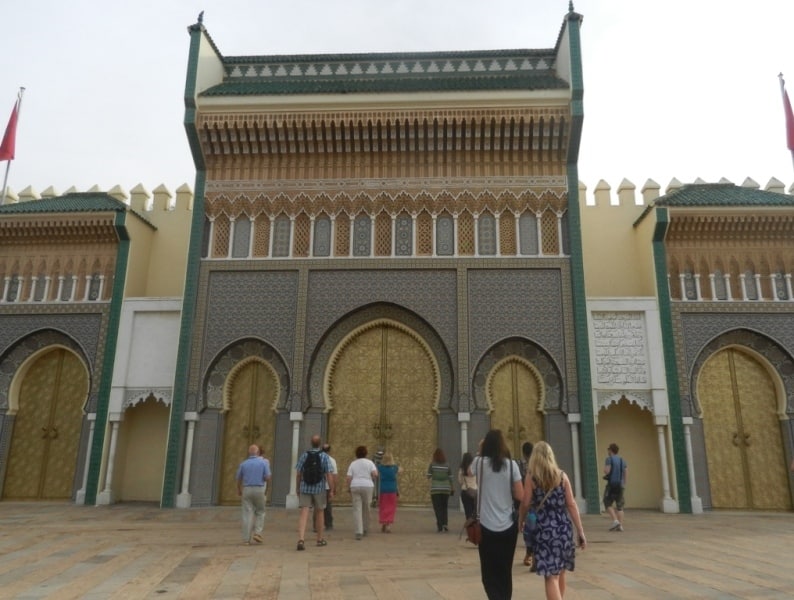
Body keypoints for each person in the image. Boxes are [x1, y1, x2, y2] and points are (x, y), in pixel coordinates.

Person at [520, 441, 586, 600]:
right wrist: (580, 531)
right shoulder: (562, 476)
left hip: (544, 530)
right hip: (563, 528)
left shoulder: (531, 478)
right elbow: (571, 504)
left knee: (550, 576)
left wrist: (521, 520)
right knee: (560, 571)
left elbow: (526, 502)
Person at [472, 430, 523, 600]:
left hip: (485, 526)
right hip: (508, 527)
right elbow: (520, 495)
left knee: (488, 571)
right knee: (504, 570)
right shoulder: (512, 465)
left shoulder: (478, 463)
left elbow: (472, 466)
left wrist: (482, 447)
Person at [295, 434, 333, 551]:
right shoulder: (324, 456)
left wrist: (297, 488)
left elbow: (298, 473)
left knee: (304, 512)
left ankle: (301, 539)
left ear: (311, 443)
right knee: (320, 512)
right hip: (319, 487)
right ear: (320, 444)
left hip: (305, 487)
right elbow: (329, 474)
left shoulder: (304, 455)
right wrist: (331, 489)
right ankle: (319, 539)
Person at [236, 444, 271, 545]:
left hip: (247, 489)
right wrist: (266, 489)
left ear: (249, 453)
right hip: (259, 489)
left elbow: (238, 478)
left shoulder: (243, 464)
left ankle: (246, 540)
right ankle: (257, 533)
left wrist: (239, 489)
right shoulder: (263, 463)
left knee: (247, 514)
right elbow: (268, 477)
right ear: (257, 452)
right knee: (260, 511)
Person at [346, 445, 378, 540]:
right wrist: (370, 478)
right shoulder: (370, 463)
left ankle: (358, 531)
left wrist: (348, 487)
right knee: (366, 508)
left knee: (357, 509)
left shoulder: (353, 463)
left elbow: (348, 477)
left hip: (355, 485)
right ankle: (365, 528)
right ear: (366, 453)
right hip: (367, 485)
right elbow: (375, 474)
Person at [427, 448, 454, 532]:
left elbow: (428, 476)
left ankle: (439, 525)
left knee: (437, 508)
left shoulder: (432, 464)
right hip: (446, 489)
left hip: (435, 489)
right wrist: (452, 487)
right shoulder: (447, 465)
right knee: (444, 507)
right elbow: (451, 477)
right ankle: (445, 524)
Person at [603, 442, 627, 532]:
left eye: (608, 449)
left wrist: (605, 470)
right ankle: (620, 526)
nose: (608, 451)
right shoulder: (622, 460)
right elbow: (625, 472)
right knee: (620, 505)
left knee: (607, 502)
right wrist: (624, 483)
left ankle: (615, 521)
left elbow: (607, 471)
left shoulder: (609, 459)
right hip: (620, 485)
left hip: (612, 484)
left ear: (611, 450)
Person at [519, 441, 534, 567]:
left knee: (529, 530)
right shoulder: (540, 465)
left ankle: (529, 554)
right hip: (539, 503)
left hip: (529, 501)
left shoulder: (522, 465)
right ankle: (533, 556)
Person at [377, 452, 400, 532]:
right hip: (392, 490)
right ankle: (388, 525)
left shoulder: (380, 467)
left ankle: (384, 522)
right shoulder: (395, 468)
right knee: (391, 507)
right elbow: (400, 470)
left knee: (383, 507)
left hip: (383, 490)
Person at [321, 443, 338, 530]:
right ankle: (328, 524)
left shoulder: (318, 458)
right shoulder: (332, 460)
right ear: (329, 450)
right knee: (327, 506)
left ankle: (316, 525)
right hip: (327, 486)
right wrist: (334, 488)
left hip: (318, 486)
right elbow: (334, 475)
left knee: (318, 506)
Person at [458, 451, 477, 521]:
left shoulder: (462, 469)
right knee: (475, 512)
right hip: (475, 491)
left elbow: (460, 481)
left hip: (465, 491)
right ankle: (476, 529)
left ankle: (470, 529)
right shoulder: (474, 468)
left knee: (468, 512)